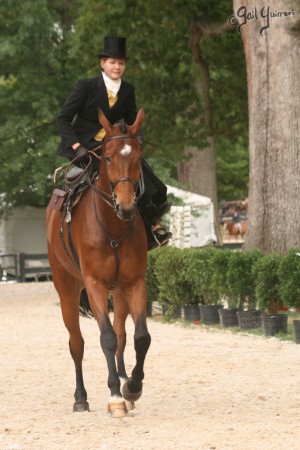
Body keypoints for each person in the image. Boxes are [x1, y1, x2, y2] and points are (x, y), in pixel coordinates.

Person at [56, 36, 172, 249]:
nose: (117, 67)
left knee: (152, 184)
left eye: (121, 63)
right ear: (103, 63)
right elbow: (62, 119)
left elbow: (130, 123)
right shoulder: (86, 85)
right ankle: (66, 229)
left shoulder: (128, 90)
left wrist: (136, 144)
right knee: (83, 186)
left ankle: (153, 229)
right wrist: (76, 146)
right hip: (85, 148)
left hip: (116, 148)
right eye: (112, 62)